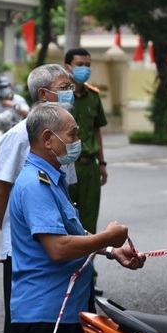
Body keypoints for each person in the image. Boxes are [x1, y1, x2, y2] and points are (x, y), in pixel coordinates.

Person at [7, 103, 144, 333]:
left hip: (68, 311)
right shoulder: (34, 185)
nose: (77, 140)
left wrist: (111, 251)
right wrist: (108, 238)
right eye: (72, 133)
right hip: (47, 315)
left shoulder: (52, 178)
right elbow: (57, 248)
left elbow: (71, 231)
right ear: (48, 138)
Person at [0, 63, 76, 333]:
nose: (72, 89)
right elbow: (0, 191)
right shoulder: (19, 138)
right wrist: (17, 236)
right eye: (64, 85)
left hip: (54, 243)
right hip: (28, 250)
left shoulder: (61, 134)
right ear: (43, 94)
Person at [64, 48, 108, 236]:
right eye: (79, 65)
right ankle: (70, 265)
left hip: (91, 167)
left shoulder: (94, 96)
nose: (84, 69)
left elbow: (96, 130)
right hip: (67, 165)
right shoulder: (61, 96)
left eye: (87, 65)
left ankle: (88, 266)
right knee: (66, 218)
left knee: (89, 220)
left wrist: (102, 163)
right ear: (67, 67)